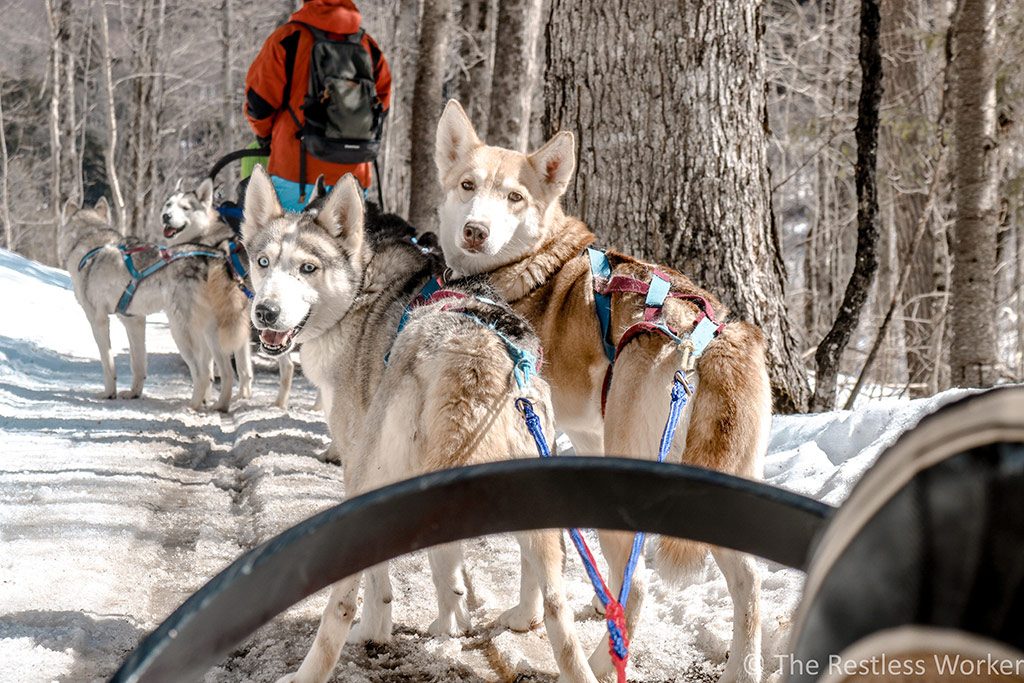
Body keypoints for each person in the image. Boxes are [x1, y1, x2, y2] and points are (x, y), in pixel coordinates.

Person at [244, 0, 392, 212]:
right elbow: (381, 107)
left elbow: (259, 103)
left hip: (295, 175)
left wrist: (265, 137)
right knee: (347, 244)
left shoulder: (288, 39)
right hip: (355, 177)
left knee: (290, 243)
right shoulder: (368, 45)